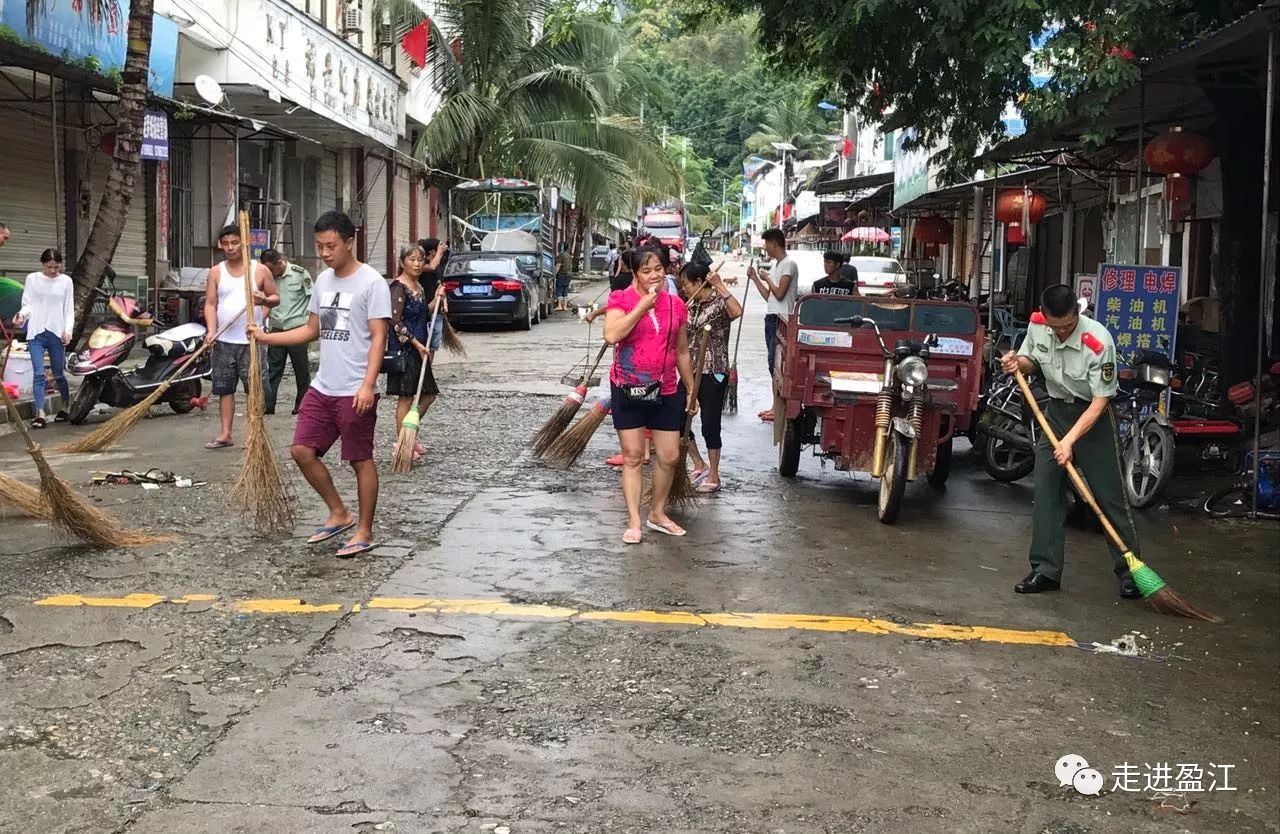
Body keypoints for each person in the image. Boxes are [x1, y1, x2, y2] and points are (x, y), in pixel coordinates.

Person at [250, 211, 391, 559]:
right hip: (324, 386)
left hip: (355, 387)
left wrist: (367, 385)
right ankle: (339, 512)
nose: (326, 252)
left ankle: (364, 530)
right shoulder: (324, 282)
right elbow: (312, 330)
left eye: (331, 246)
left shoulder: (372, 283)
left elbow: (378, 337)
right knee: (301, 450)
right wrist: (266, 338)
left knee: (360, 459)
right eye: (320, 246)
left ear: (349, 241)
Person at [1000, 284, 1141, 600]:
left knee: (1109, 497)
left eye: (1067, 327)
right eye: (1055, 327)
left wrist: (1069, 442)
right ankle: (1045, 570)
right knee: (1047, 489)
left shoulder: (1099, 342)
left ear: (1078, 313)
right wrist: (1015, 363)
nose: (1061, 333)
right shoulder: (1039, 326)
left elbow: (1099, 403)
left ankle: (1130, 570)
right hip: (1055, 412)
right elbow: (1030, 361)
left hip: (1092, 420)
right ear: (1045, 317)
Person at [604, 247, 696, 544]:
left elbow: (681, 350)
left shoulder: (676, 304)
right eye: (647, 270)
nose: (655, 275)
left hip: (667, 388)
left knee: (669, 456)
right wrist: (643, 306)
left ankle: (657, 513)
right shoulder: (621, 299)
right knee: (632, 457)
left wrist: (691, 387)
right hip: (627, 387)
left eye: (659, 268)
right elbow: (612, 335)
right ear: (634, 273)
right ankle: (633, 520)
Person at [203, 225, 279, 449]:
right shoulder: (216, 271)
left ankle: (253, 434)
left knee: (253, 389)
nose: (230, 248)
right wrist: (210, 330)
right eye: (225, 243)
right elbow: (210, 303)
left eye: (234, 243)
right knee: (224, 388)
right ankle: (225, 434)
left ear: (244, 243)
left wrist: (264, 301)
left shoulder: (259, 270)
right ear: (220, 245)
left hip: (252, 341)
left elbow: (275, 298)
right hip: (224, 340)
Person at [678, 262, 742, 493]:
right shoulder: (690, 305)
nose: (683, 288)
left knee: (710, 425)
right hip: (690, 371)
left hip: (714, 371)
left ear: (699, 282)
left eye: (685, 283)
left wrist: (721, 286)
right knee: (677, 417)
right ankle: (698, 463)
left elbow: (737, 311)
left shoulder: (719, 302)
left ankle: (714, 475)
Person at [387, 244, 444, 462]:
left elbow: (424, 314)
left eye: (420, 260)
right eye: (412, 260)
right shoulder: (398, 288)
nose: (417, 263)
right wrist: (417, 344)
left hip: (421, 349)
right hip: (406, 350)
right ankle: (402, 442)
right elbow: (395, 322)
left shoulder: (418, 286)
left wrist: (436, 300)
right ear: (402, 263)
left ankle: (409, 432)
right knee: (406, 397)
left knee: (428, 394)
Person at [13, 248, 73, 428]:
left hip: (56, 331)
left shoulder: (66, 281)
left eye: (56, 267)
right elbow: (27, 304)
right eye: (49, 267)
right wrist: (22, 316)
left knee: (58, 374)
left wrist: (67, 330)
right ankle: (40, 412)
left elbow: (68, 309)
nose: (53, 271)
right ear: (42, 264)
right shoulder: (32, 279)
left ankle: (65, 406)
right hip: (36, 332)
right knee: (38, 373)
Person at [746, 227, 798, 421]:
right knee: (772, 365)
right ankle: (775, 406)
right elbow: (770, 297)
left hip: (782, 320)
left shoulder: (789, 265)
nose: (766, 249)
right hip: (772, 317)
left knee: (777, 364)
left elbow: (779, 293)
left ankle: (779, 408)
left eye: (767, 245)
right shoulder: (778, 265)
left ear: (774, 243)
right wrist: (755, 280)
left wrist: (766, 277)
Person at [259, 248, 313, 416]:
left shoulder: (300, 274)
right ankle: (268, 405)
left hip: (298, 330)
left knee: (301, 370)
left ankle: (301, 406)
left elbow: (312, 300)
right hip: (277, 330)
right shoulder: (267, 279)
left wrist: (311, 325)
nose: (269, 273)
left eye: (271, 269)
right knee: (273, 369)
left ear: (280, 263)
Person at [416, 238, 449, 349]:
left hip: (436, 311)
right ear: (431, 252)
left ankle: (429, 366)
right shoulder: (421, 265)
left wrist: (444, 304)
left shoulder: (438, 267)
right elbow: (431, 267)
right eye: (437, 250)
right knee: (423, 343)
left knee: (433, 345)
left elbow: (440, 285)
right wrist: (439, 252)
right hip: (423, 310)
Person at [554, 242, 572, 312]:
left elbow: (558, 265)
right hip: (569, 276)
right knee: (565, 290)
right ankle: (565, 306)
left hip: (561, 275)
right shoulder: (569, 255)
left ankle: (559, 306)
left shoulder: (561, 255)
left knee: (559, 290)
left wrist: (554, 274)